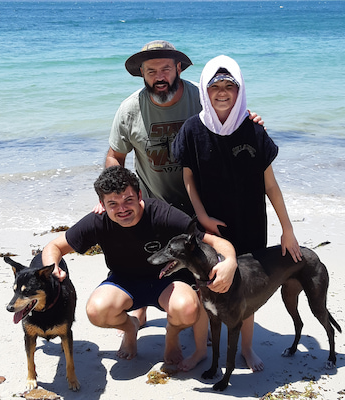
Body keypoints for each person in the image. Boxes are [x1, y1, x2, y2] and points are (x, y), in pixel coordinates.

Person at [99, 40, 264, 328]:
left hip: (203, 201)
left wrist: (248, 120)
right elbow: (115, 156)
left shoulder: (199, 97)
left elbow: (228, 113)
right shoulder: (128, 109)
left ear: (178, 68)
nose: (159, 77)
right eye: (151, 71)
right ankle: (143, 306)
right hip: (154, 202)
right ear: (142, 74)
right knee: (152, 258)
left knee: (203, 264)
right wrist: (113, 197)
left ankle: (205, 314)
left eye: (165, 68)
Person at [172, 55, 302, 372]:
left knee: (244, 289)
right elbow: (188, 179)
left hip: (249, 223)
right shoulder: (192, 129)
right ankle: (202, 348)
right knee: (205, 287)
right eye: (215, 85)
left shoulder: (254, 131)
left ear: (239, 89)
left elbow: (271, 186)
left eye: (229, 85)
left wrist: (288, 229)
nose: (222, 92)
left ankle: (246, 348)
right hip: (209, 227)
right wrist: (201, 216)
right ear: (204, 89)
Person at [42, 165, 238, 371]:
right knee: (96, 312)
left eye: (128, 200)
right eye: (113, 204)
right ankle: (130, 328)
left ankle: (171, 336)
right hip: (124, 282)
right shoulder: (97, 221)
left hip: (167, 282)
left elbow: (214, 242)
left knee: (188, 309)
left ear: (139, 195)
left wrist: (230, 261)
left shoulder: (163, 215)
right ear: (102, 204)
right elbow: (54, 246)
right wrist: (52, 267)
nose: (122, 209)